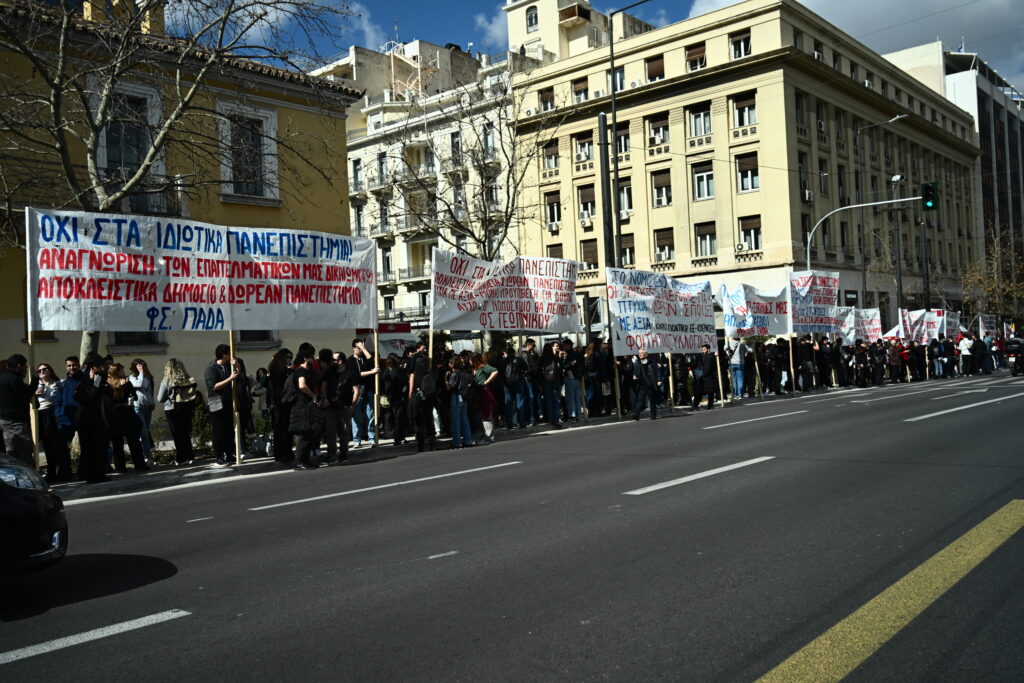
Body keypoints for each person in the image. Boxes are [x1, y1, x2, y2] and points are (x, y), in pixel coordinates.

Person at [74, 354, 110, 482]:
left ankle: (93, 474)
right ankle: (93, 475)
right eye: (99, 366)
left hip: (88, 416)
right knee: (93, 446)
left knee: (92, 446)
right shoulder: (87, 379)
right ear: (93, 367)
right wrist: (93, 383)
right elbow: (90, 396)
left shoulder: (90, 377)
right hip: (88, 416)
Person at [106, 363, 148, 473]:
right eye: (122, 370)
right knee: (134, 442)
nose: (124, 372)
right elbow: (134, 396)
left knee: (117, 444)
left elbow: (108, 402)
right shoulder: (126, 383)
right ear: (118, 371)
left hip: (114, 416)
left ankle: (120, 467)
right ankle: (139, 465)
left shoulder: (108, 385)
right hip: (128, 414)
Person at [288, 345, 324, 470]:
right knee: (303, 434)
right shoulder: (300, 371)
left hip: (309, 404)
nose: (313, 358)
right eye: (311, 356)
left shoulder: (310, 370)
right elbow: (302, 385)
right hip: (302, 404)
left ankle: (306, 460)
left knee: (310, 433)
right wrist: (313, 396)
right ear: (305, 358)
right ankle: (299, 462)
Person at [156, 358, 198, 466]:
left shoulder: (166, 381)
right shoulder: (187, 379)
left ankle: (181, 459)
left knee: (177, 435)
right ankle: (190, 457)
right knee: (185, 434)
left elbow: (160, 398)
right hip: (186, 408)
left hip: (172, 409)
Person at [0, 354, 38, 467]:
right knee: (23, 453)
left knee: (11, 452)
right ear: (19, 365)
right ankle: (28, 481)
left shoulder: (2, 377)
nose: (26, 369)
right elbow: (26, 394)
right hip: (16, 423)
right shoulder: (14, 379)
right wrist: (35, 381)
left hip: (4, 420)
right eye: (25, 367)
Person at [205, 343, 239, 467]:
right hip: (216, 403)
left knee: (229, 429)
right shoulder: (211, 368)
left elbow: (238, 375)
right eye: (230, 353)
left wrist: (236, 364)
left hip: (228, 401)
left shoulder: (227, 366)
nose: (232, 356)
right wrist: (230, 378)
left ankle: (230, 453)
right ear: (224, 355)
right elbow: (214, 386)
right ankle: (219, 456)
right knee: (218, 430)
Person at [51, 356, 83, 481]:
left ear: (78, 365)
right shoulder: (62, 384)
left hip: (82, 419)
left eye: (74, 365)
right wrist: (59, 415)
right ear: (66, 367)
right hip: (65, 420)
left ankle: (83, 472)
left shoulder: (85, 380)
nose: (72, 368)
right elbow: (57, 402)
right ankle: (65, 473)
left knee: (86, 446)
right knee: (60, 447)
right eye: (69, 365)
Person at [324, 350, 358, 465]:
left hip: (345, 407)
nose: (332, 361)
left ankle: (343, 454)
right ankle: (331, 455)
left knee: (344, 432)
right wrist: (325, 398)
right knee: (330, 433)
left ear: (340, 361)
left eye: (334, 359)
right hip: (331, 408)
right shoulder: (329, 372)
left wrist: (353, 405)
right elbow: (324, 386)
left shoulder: (350, 373)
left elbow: (356, 389)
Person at [350, 338, 379, 447]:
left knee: (370, 415)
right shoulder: (350, 361)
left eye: (362, 347)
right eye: (358, 347)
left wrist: (363, 348)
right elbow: (356, 374)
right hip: (356, 391)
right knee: (356, 416)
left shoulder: (364, 358)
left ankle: (371, 437)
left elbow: (371, 360)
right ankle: (357, 439)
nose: (361, 349)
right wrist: (372, 372)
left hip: (368, 389)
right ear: (353, 348)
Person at [34, 363, 60, 479]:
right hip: (38, 413)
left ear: (50, 370)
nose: (42, 372)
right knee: (38, 443)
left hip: (50, 413)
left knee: (50, 444)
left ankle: (52, 472)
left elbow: (52, 398)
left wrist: (45, 389)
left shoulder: (56, 383)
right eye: (39, 371)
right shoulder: (35, 384)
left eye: (44, 369)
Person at [268, 348, 294, 465]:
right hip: (279, 402)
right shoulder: (277, 369)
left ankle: (287, 452)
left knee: (287, 429)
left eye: (290, 358)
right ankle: (281, 454)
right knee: (280, 429)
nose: (289, 360)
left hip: (286, 401)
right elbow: (280, 386)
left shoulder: (283, 369)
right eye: (287, 357)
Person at [408, 351, 437, 452]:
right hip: (429, 399)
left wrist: (410, 400)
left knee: (419, 423)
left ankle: (420, 445)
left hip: (418, 400)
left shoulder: (414, 374)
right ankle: (432, 443)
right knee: (429, 421)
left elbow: (411, 390)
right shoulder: (430, 373)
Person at [128, 358, 156, 463]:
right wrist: (141, 373)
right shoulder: (132, 377)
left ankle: (147, 454)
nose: (142, 368)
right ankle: (147, 456)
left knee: (146, 431)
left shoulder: (148, 377)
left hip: (147, 407)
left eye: (143, 366)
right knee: (143, 432)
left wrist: (152, 402)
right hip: (138, 407)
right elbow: (139, 385)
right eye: (139, 366)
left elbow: (149, 391)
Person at [446, 356, 474, 448]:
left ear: (452, 364)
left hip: (456, 396)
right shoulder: (463, 372)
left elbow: (449, 387)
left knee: (456, 420)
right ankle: (468, 440)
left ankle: (457, 442)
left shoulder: (454, 374)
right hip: (464, 397)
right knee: (465, 419)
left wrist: (446, 379)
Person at [471, 353, 499, 443]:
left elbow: (495, 371)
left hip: (484, 392)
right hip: (478, 393)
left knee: (487, 414)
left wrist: (487, 381)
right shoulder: (475, 369)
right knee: (482, 415)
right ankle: (484, 437)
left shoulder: (483, 366)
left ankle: (489, 437)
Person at [382, 353, 409, 446]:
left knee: (394, 417)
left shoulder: (387, 371)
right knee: (399, 417)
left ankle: (397, 436)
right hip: (397, 396)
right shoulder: (396, 371)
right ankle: (398, 437)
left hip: (391, 396)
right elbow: (403, 382)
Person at [630, 348, 662, 420]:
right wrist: (634, 375)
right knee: (640, 400)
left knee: (652, 400)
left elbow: (657, 371)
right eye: (639, 353)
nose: (640, 354)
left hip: (650, 384)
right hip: (642, 384)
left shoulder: (652, 362)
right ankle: (636, 414)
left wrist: (659, 380)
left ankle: (653, 415)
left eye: (641, 353)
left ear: (646, 354)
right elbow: (635, 371)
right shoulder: (637, 362)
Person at [539, 341, 564, 429]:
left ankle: (550, 419)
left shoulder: (541, 359)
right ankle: (556, 418)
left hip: (545, 381)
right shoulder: (555, 357)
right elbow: (561, 368)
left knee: (548, 400)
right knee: (556, 399)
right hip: (555, 380)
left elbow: (539, 372)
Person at [561, 339, 583, 422]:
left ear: (568, 345)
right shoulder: (577, 354)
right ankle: (578, 416)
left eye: (564, 345)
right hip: (577, 378)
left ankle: (572, 415)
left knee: (570, 397)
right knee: (577, 397)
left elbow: (567, 366)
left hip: (570, 377)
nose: (563, 347)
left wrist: (564, 365)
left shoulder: (570, 354)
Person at [692, 344, 719, 410]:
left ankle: (706, 405)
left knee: (706, 392)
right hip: (707, 377)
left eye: (704, 349)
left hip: (708, 377)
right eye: (702, 349)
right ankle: (709, 405)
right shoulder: (707, 356)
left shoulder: (710, 357)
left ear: (708, 349)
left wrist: (703, 374)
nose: (703, 351)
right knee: (707, 392)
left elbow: (708, 368)